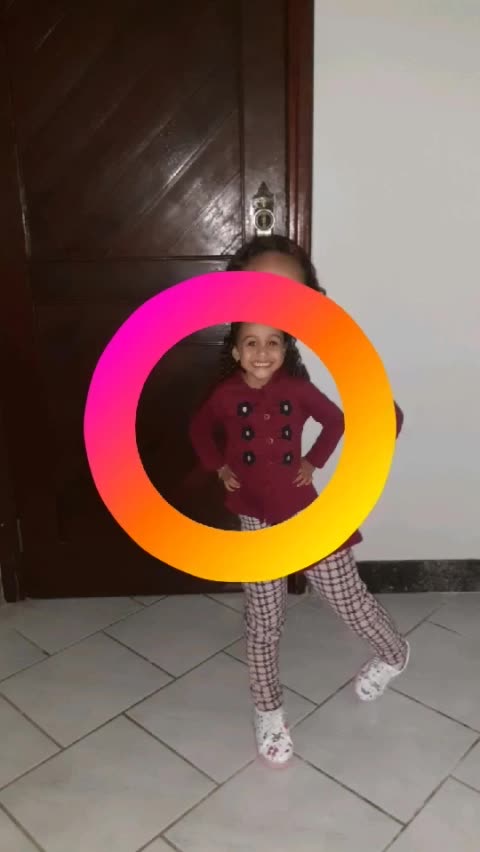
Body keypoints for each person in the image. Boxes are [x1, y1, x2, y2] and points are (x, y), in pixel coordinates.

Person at [189, 235, 409, 768]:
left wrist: (337, 457)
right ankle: (267, 709)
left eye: (287, 294)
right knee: (263, 617)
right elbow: (203, 428)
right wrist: (219, 466)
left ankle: (394, 653)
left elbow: (377, 419)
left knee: (347, 599)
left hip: (310, 514)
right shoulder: (232, 383)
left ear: (310, 300)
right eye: (260, 292)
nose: (272, 306)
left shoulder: (314, 371)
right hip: (255, 519)